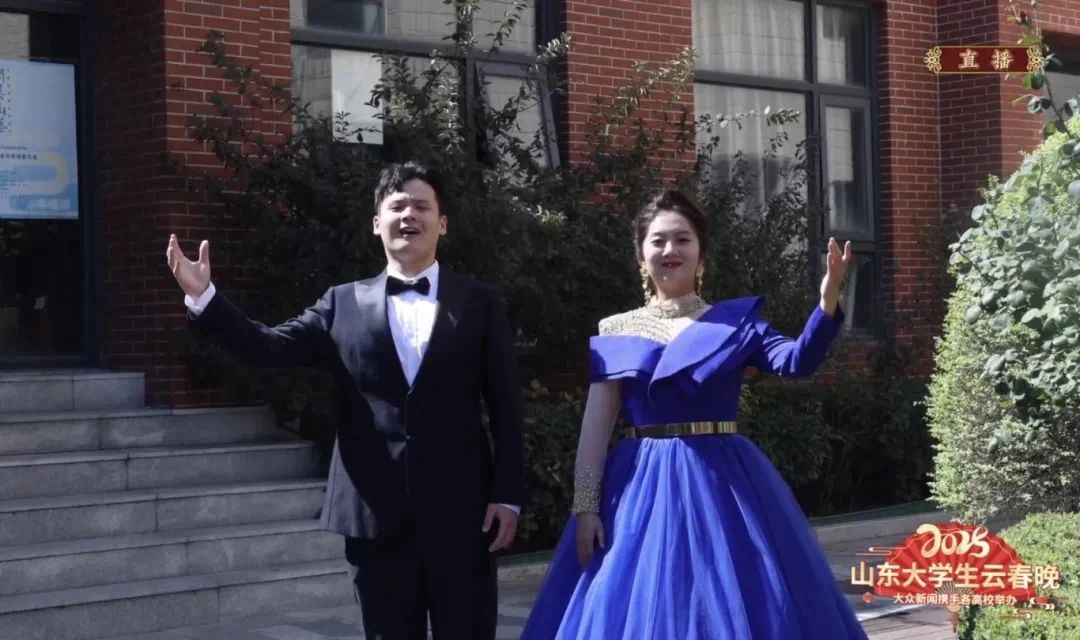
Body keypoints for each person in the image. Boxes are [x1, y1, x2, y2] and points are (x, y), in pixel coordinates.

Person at [165, 161, 525, 640]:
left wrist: (508, 495)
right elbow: (269, 347)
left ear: (442, 223)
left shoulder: (480, 302)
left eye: (422, 207)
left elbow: (506, 407)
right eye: (397, 206)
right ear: (376, 223)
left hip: (463, 515)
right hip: (374, 516)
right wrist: (205, 299)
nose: (409, 216)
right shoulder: (342, 303)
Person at [520, 190, 867, 639]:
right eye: (658, 240)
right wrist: (585, 507)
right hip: (638, 490)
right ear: (640, 255)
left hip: (723, 484)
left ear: (701, 254)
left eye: (683, 239)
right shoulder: (615, 329)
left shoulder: (735, 323)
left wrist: (827, 302)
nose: (671, 249)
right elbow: (595, 429)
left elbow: (796, 361)